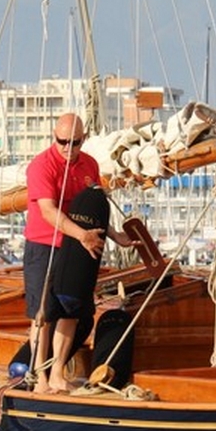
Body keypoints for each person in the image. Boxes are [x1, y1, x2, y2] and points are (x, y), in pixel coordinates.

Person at [23, 113, 132, 393]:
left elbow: (90, 211)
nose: (69, 148)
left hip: (78, 246)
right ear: (53, 136)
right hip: (45, 245)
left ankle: (58, 372)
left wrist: (113, 234)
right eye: (63, 142)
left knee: (70, 310)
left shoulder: (89, 165)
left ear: (84, 139)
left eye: (76, 142)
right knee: (43, 313)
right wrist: (82, 235)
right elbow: (47, 210)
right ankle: (40, 376)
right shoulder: (41, 166)